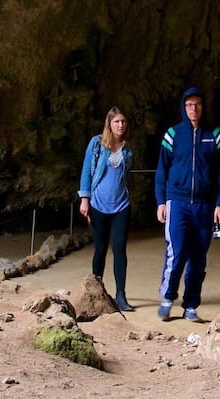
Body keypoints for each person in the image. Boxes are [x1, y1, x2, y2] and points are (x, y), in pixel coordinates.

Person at [153, 87, 220, 322]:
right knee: (177, 252)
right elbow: (161, 171)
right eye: (188, 105)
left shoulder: (215, 135)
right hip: (177, 202)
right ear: (183, 108)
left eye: (197, 104)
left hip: (205, 205)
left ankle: (191, 305)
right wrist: (161, 201)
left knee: (198, 258)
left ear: (203, 107)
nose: (193, 109)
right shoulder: (173, 135)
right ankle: (167, 298)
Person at [78, 107, 137, 311]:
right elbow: (87, 170)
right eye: (116, 122)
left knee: (120, 249)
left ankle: (121, 295)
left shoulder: (128, 147)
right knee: (100, 249)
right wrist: (84, 198)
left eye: (123, 121)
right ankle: (97, 293)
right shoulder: (97, 144)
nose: (120, 125)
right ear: (109, 124)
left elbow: (126, 174)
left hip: (121, 205)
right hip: (98, 205)